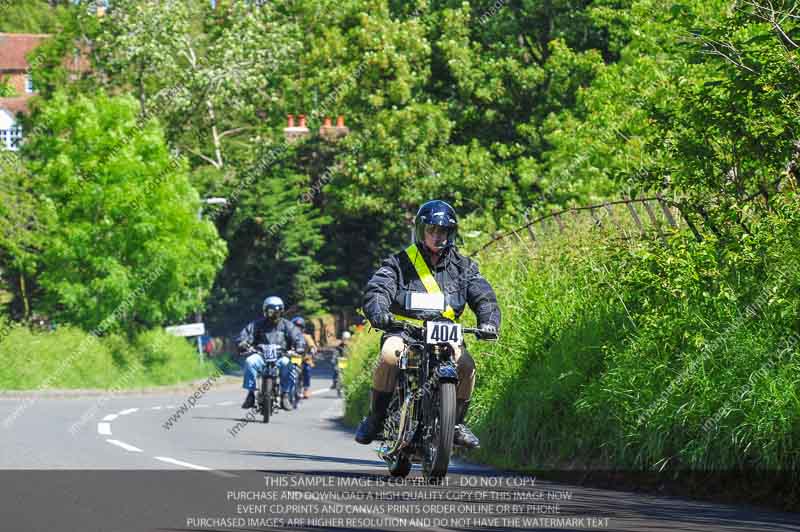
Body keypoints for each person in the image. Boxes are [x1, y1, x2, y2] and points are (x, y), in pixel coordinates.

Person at [355, 200, 500, 449]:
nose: (437, 236)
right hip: (404, 330)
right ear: (421, 231)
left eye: (442, 231)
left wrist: (488, 322)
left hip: (445, 332)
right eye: (432, 230)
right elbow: (378, 289)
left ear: (451, 233)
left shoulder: (464, 267)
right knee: (390, 356)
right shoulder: (399, 263)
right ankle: (376, 418)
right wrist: (379, 313)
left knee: (465, 365)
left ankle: (455, 424)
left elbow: (483, 295)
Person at [235, 296, 306, 409]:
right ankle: (251, 394)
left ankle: (285, 395)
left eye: (277, 312)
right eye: (271, 311)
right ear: (265, 311)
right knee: (249, 361)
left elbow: (298, 337)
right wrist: (242, 343)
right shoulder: (256, 324)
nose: (274, 315)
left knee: (289, 364)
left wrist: (299, 347)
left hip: (280, 356)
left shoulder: (287, 325)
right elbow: (245, 335)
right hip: (260, 356)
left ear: (281, 312)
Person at [291, 316, 317, 399]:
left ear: (303, 328)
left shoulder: (306, 337)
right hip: (292, 358)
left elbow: (312, 345)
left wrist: (313, 349)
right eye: (295, 327)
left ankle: (306, 388)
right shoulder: (289, 336)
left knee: (307, 370)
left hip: (304, 359)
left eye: (299, 327)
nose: (297, 329)